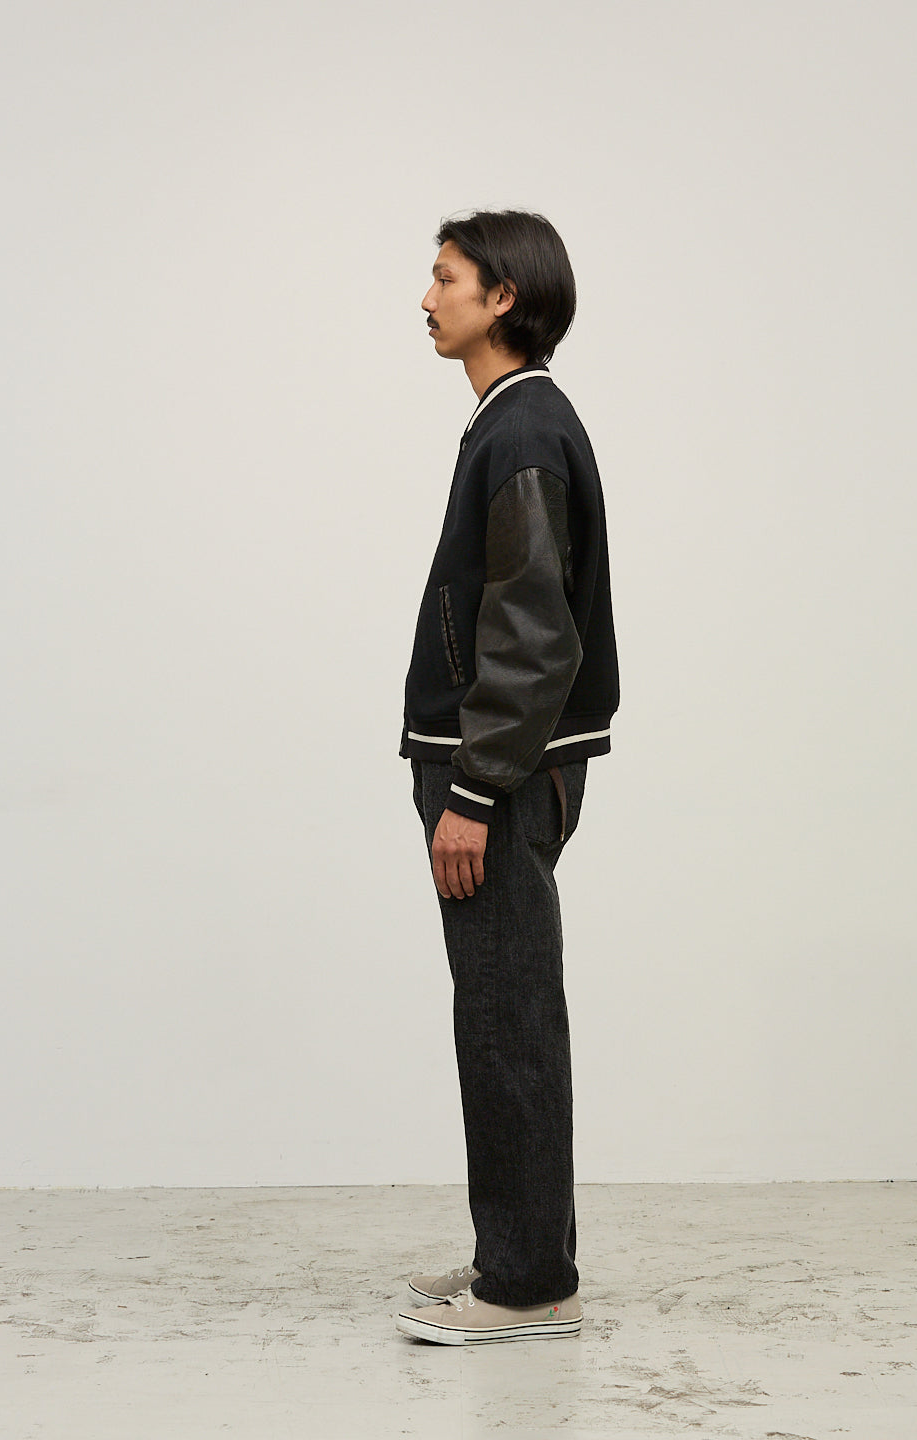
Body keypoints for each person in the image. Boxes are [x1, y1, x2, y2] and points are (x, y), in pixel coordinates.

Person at [393, 210, 619, 1345]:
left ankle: (530, 1289)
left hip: (502, 775)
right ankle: (517, 1253)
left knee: (507, 1018)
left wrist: (473, 794)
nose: (425, 299)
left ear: (504, 298)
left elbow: (533, 637)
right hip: (506, 765)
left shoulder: (522, 431)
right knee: (502, 1011)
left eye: (445, 279)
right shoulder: (513, 422)